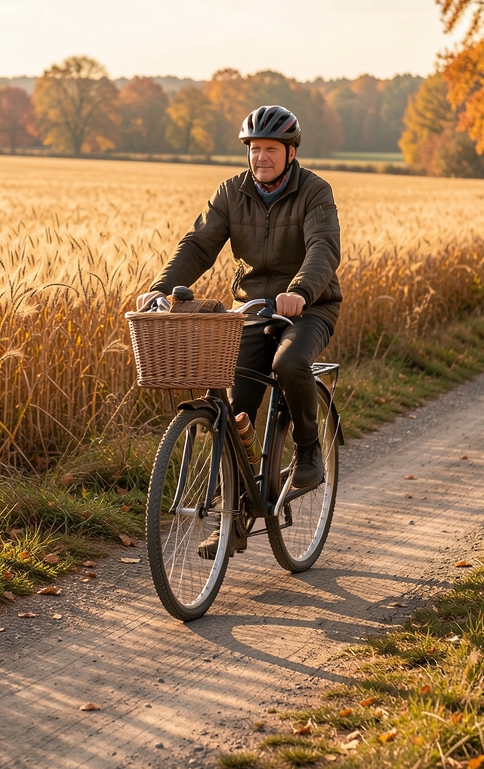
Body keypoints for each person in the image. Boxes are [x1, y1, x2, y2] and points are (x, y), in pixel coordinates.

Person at [136, 104, 342, 550]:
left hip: (309, 307)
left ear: (290, 152)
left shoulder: (314, 192)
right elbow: (198, 245)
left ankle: (308, 451)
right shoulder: (231, 192)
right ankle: (234, 517)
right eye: (254, 148)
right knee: (235, 410)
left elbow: (323, 247)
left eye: (270, 148)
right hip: (251, 309)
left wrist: (301, 290)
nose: (260, 157)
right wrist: (161, 288)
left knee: (289, 364)